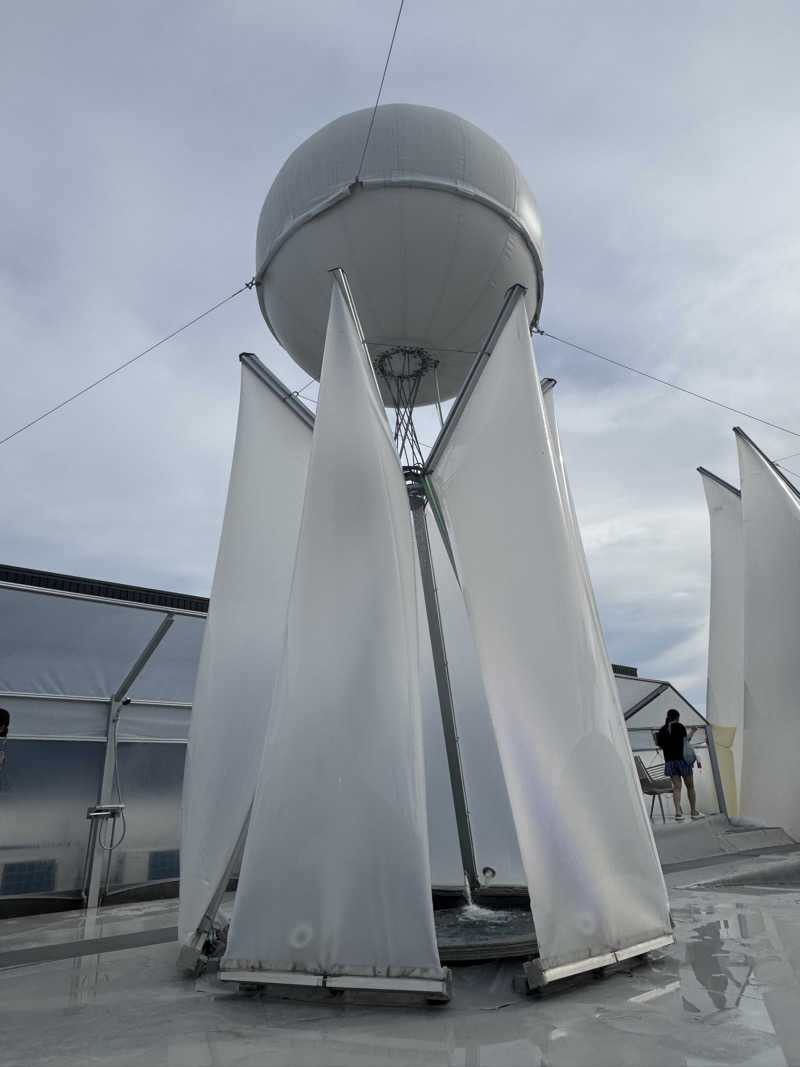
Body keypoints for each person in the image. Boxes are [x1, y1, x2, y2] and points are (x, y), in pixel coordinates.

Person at [656, 708, 702, 821]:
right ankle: (693, 811)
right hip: (682, 760)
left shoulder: (662, 730)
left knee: (677, 787)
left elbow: (660, 745)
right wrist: (693, 730)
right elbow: (686, 740)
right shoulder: (679, 726)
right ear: (677, 717)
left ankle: (678, 812)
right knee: (690, 786)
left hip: (670, 762)